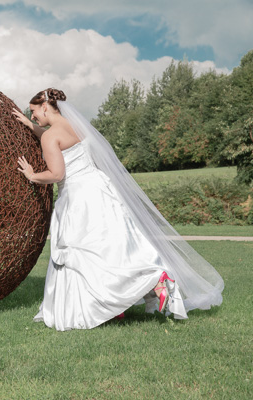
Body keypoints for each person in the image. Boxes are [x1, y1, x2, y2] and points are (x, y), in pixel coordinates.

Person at [12, 89, 224, 331]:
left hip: (78, 197)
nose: (34, 115)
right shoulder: (75, 126)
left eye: (34, 111)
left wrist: (31, 175)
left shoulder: (50, 138)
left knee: (89, 254)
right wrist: (31, 125)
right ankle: (152, 282)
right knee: (115, 248)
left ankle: (110, 303)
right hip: (100, 189)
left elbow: (57, 174)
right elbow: (59, 141)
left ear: (46, 108)